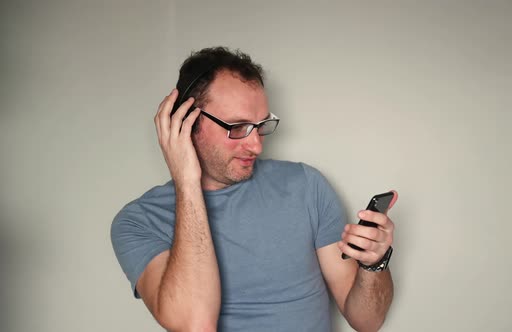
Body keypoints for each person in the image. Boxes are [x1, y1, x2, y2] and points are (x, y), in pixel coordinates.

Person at [111, 46, 398, 332]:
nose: (256, 145)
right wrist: (187, 181)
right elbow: (195, 325)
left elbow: (367, 321)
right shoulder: (138, 221)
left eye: (261, 125)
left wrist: (374, 265)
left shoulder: (306, 186)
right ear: (186, 123)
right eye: (237, 127)